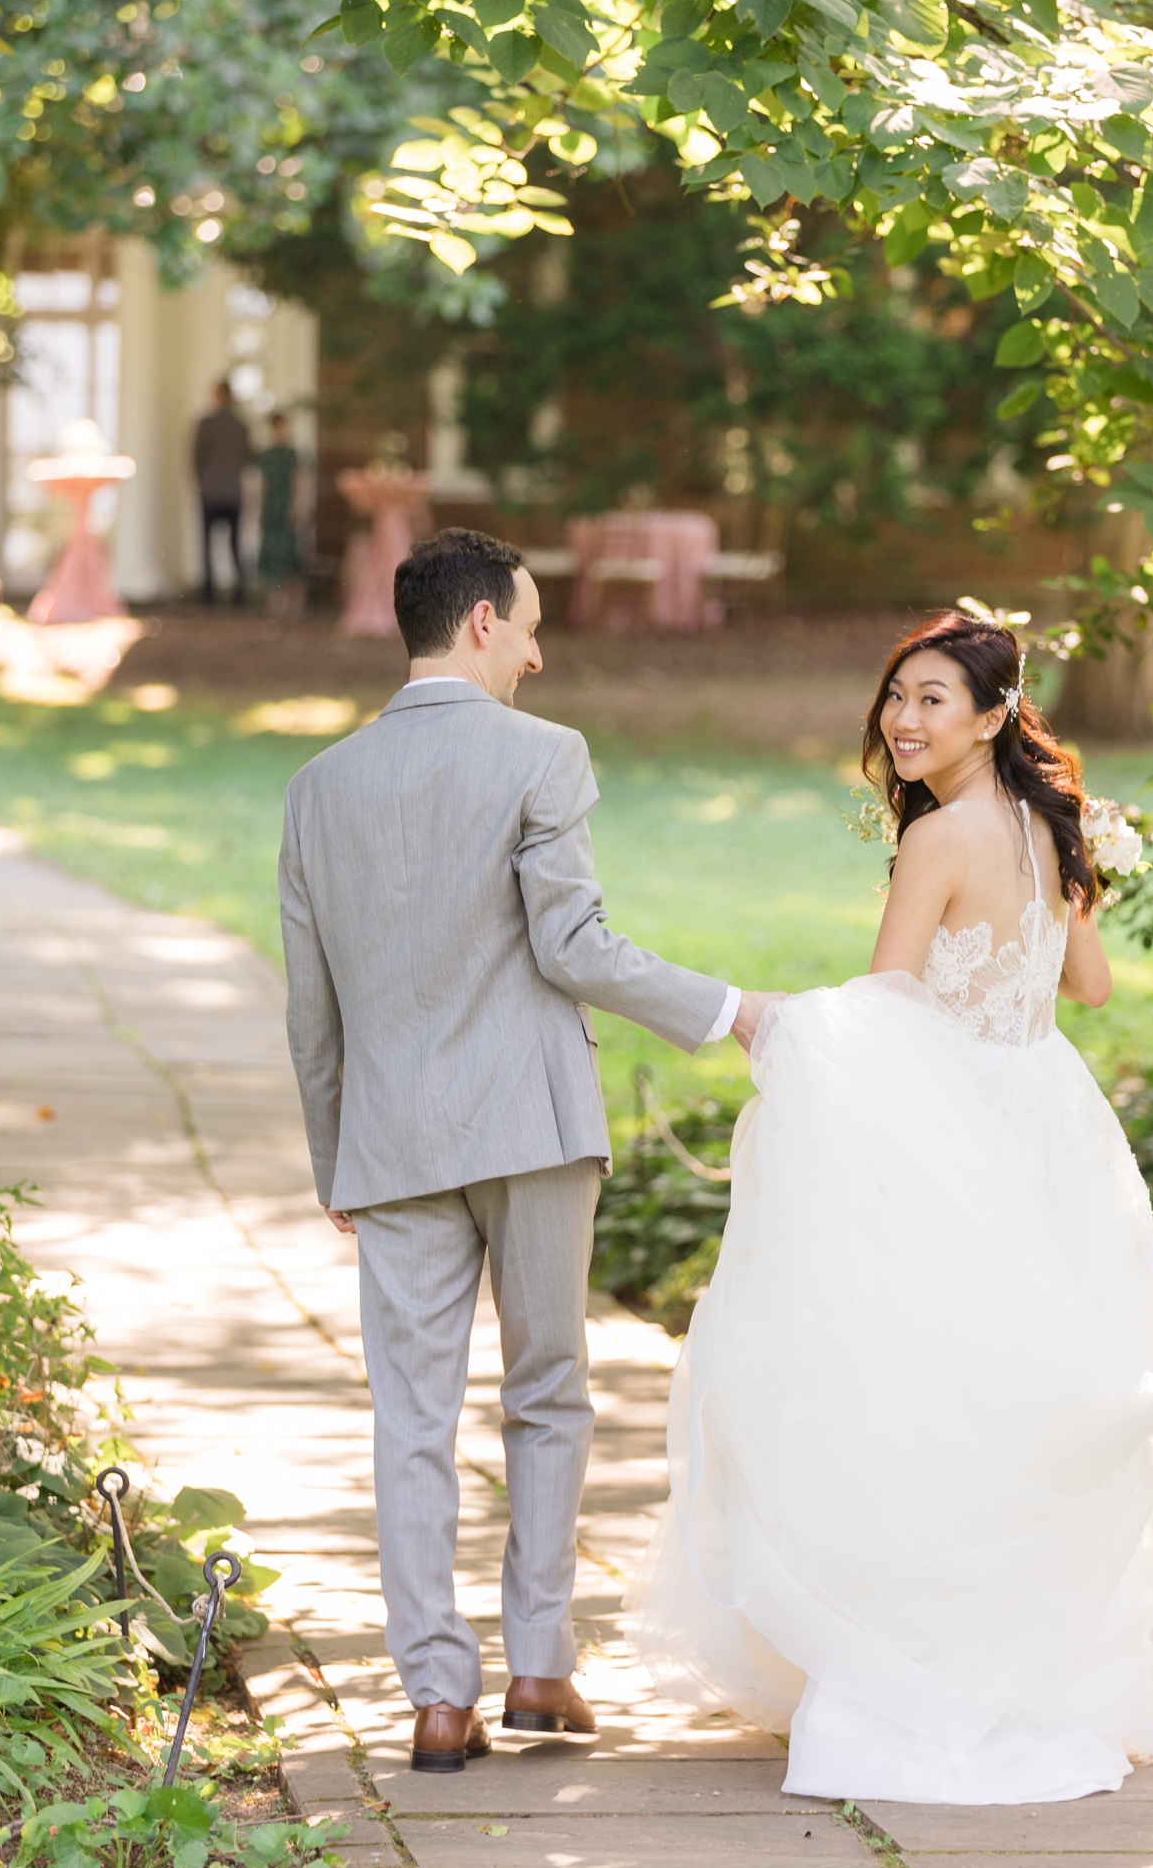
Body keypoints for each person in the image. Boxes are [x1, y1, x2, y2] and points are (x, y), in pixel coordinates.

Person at [627, 610, 1153, 1806]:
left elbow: (885, 1010)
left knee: (928, 1392)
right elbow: (1085, 984)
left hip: (958, 1122)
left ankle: (921, 1662)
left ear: (993, 714)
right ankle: (1028, 1666)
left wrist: (786, 1026)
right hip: (1049, 1117)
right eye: (898, 696)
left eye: (934, 698)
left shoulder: (939, 838)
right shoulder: (1056, 826)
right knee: (1016, 1390)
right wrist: (1076, 887)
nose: (904, 719)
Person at [278, 527, 777, 1775]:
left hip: (388, 1140)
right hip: (533, 1123)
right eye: (535, 625)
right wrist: (729, 1009)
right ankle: (541, 1670)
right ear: (483, 622)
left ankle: (436, 1699)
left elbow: (309, 1002)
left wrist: (335, 1149)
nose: (543, 655)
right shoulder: (543, 757)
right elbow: (572, 946)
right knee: (547, 1391)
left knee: (411, 1416)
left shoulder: (317, 786)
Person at [192, 379, 251, 606]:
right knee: (235, 546)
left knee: (208, 546)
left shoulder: (207, 424)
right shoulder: (240, 425)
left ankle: (209, 595)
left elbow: (197, 457)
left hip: (212, 493)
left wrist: (202, 483)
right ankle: (238, 593)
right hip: (232, 493)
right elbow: (247, 457)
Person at [254, 412, 303, 615]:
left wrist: (295, 506)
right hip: (271, 506)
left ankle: (293, 603)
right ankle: (275, 603)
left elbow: (298, 482)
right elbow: (263, 484)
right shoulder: (266, 455)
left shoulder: (291, 454)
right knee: (272, 555)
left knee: (288, 556)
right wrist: (261, 509)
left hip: (286, 507)